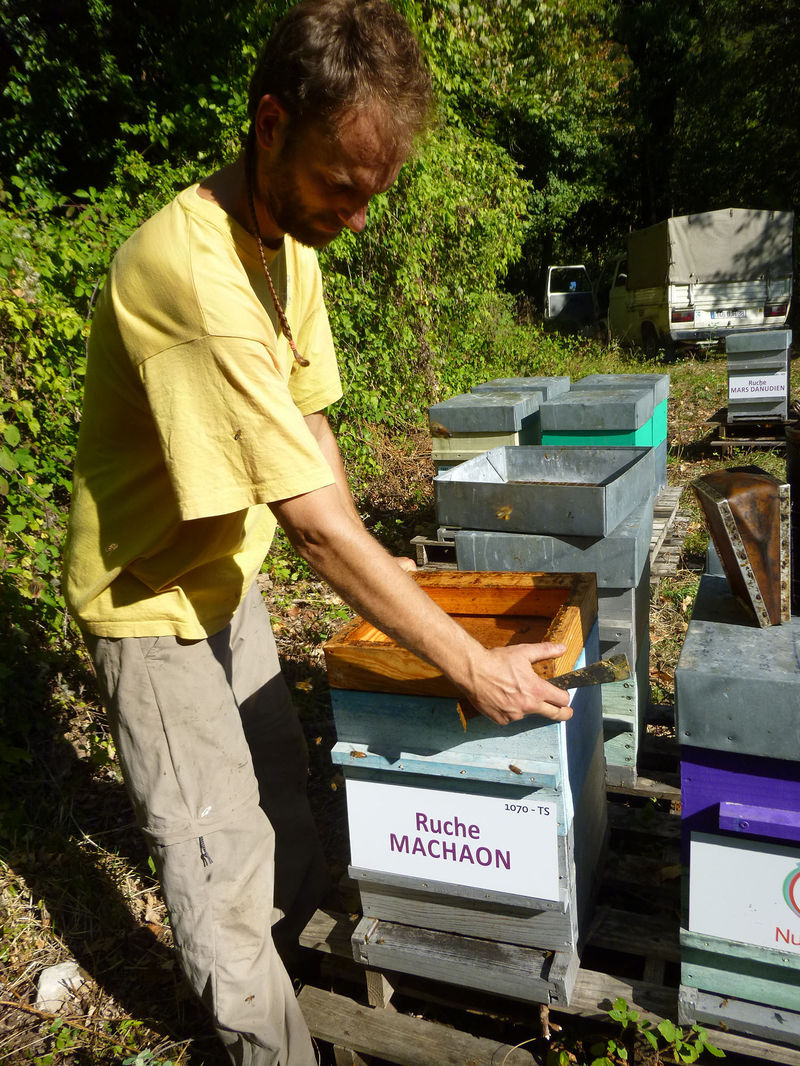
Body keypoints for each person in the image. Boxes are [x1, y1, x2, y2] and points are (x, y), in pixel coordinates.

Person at [63, 1, 573, 1062]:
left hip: (224, 572)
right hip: (147, 596)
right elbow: (312, 525)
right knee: (218, 855)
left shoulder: (288, 240)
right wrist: (463, 661)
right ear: (267, 125)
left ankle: (293, 976)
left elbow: (311, 430)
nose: (357, 213)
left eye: (373, 192)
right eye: (341, 185)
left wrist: (393, 578)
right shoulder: (191, 274)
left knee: (284, 800)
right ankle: (268, 1043)